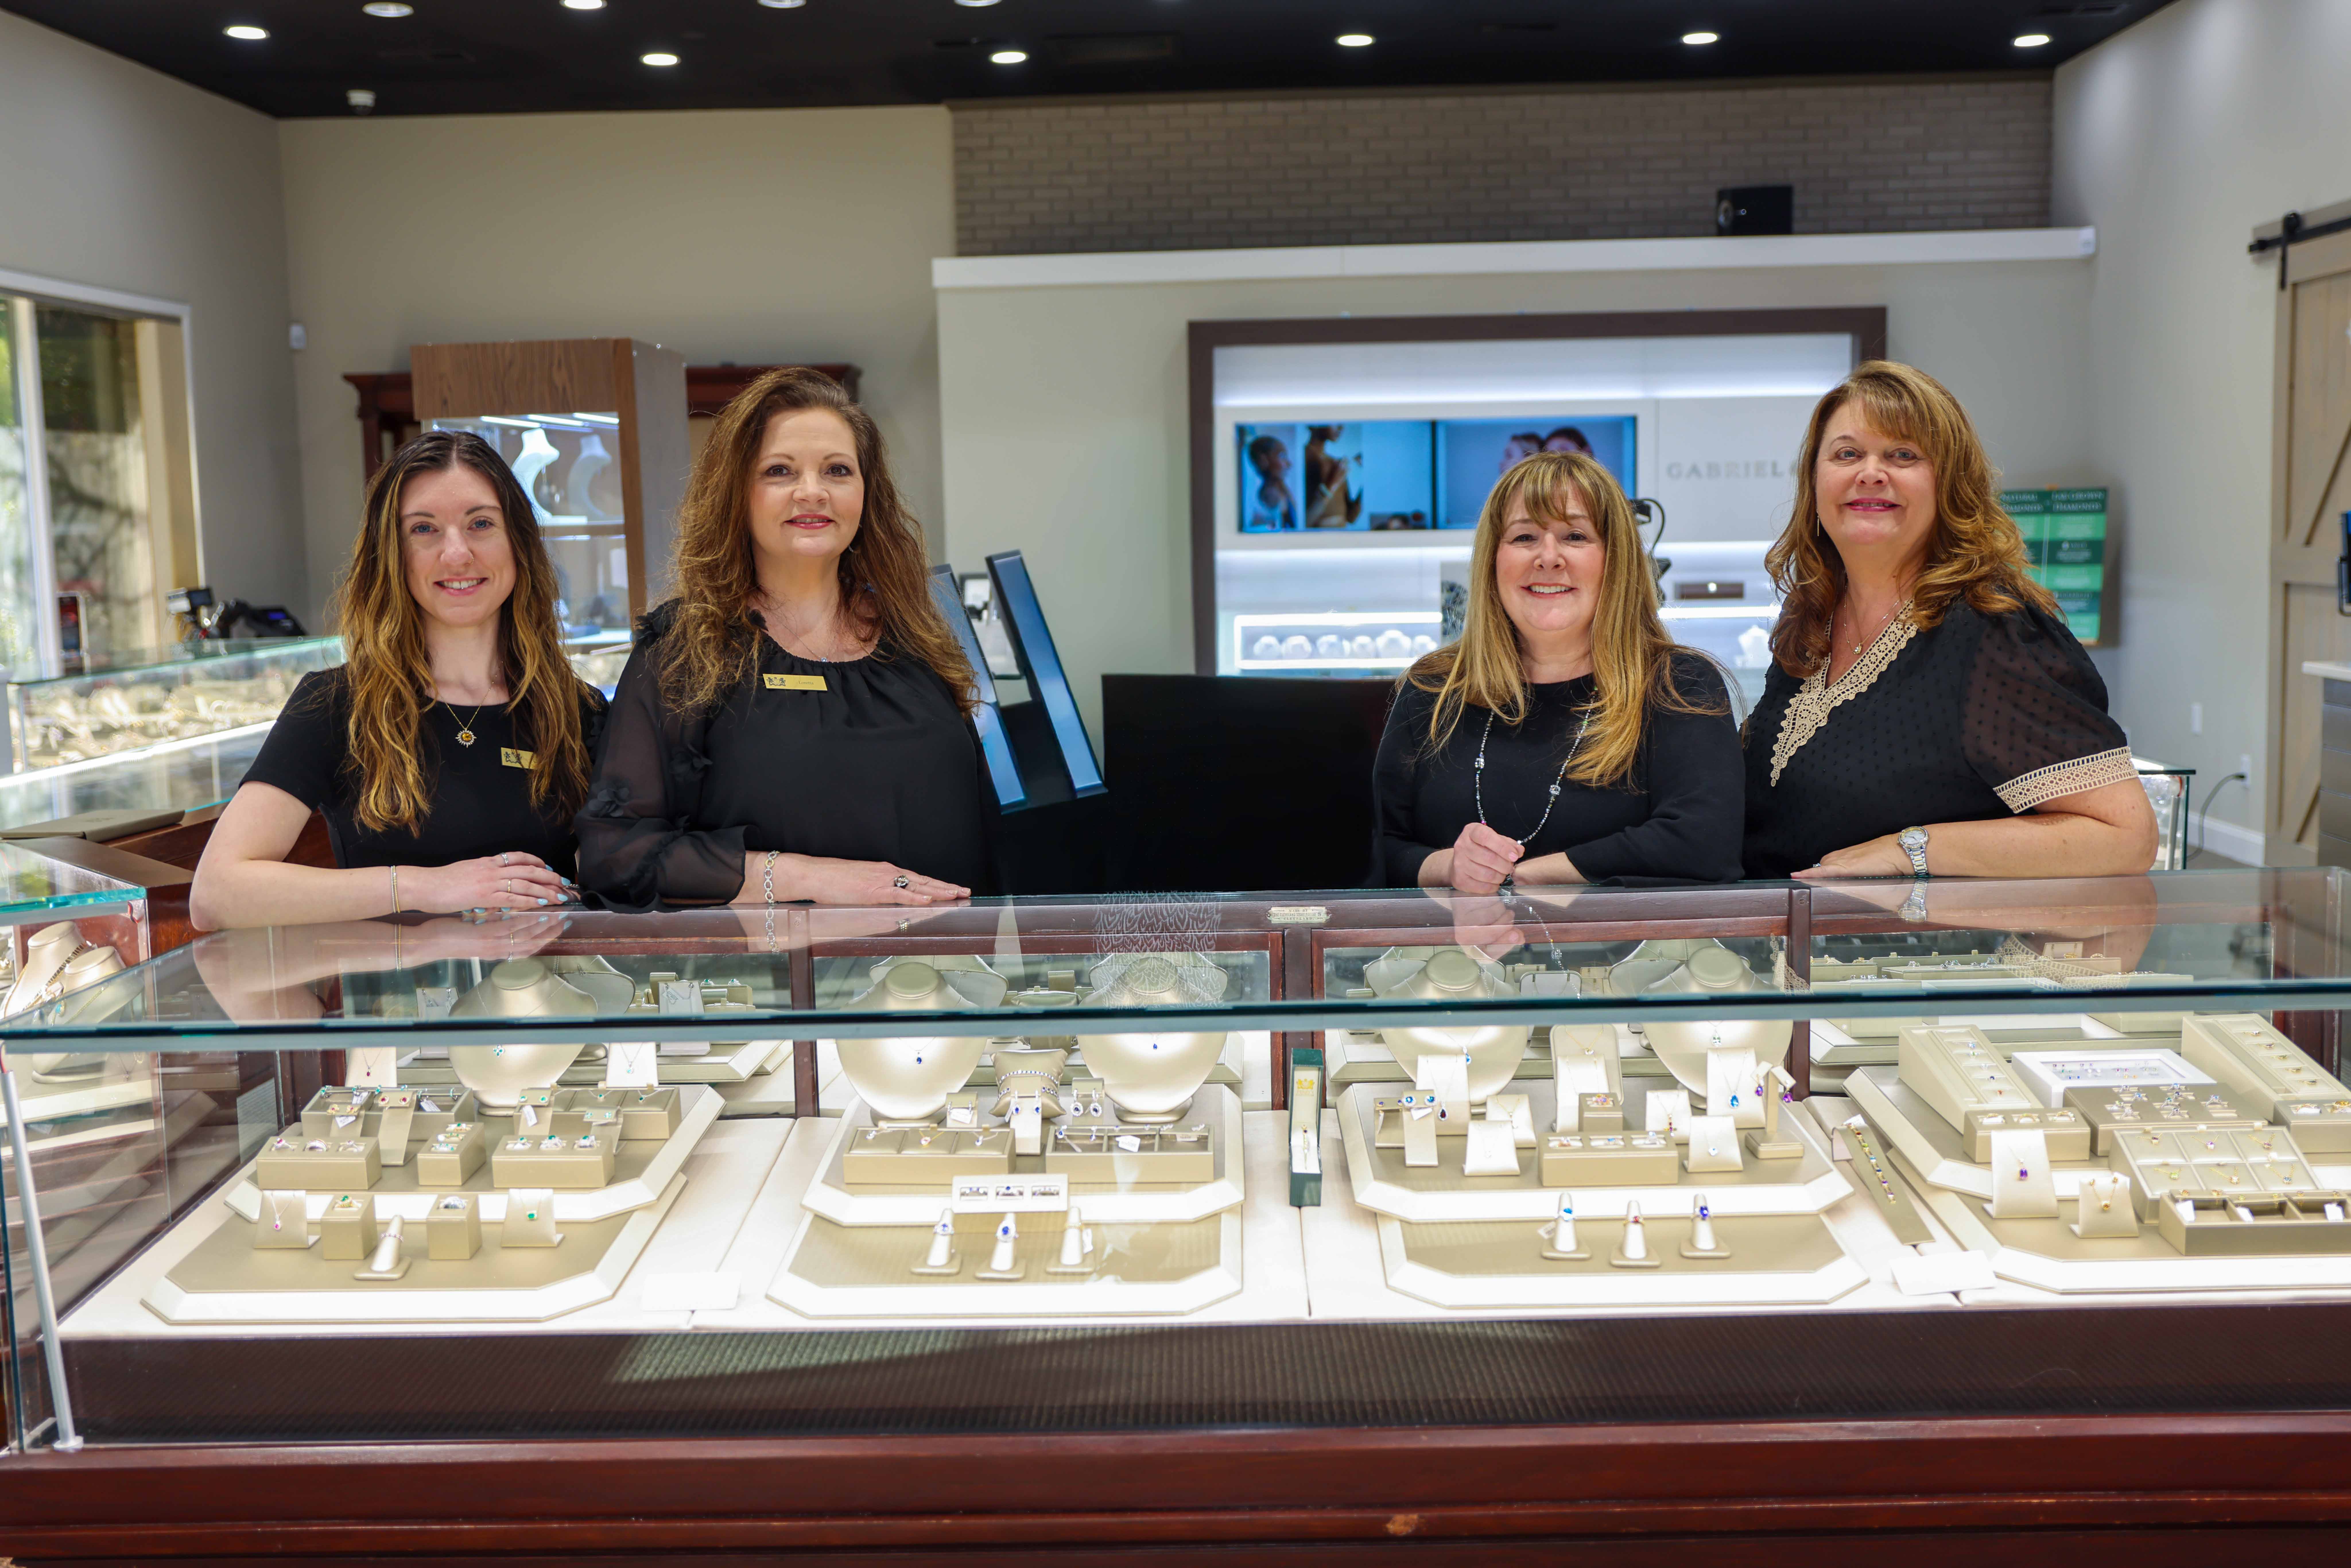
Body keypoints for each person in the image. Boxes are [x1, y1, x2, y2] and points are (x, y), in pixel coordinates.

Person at [576, 366, 990, 910]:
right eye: (779, 471)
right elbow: (615, 855)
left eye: (838, 470)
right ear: (737, 495)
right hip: (776, 985)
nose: (812, 492)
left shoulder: (920, 635)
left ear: (867, 493)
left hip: (939, 981)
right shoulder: (681, 650)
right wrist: (802, 877)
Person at [1742, 360, 2157, 880]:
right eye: (1847, 453)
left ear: (1949, 483)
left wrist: (1910, 849)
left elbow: (2123, 837)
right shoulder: (1811, 615)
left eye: (1903, 454)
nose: (1870, 471)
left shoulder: (1992, 628)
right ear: (1815, 480)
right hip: (1789, 947)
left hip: (1914, 951)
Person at [191, 431, 602, 929]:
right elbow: (216, 893)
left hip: (553, 998)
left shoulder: (578, 709)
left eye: (481, 523)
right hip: (398, 1002)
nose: (457, 554)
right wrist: (429, 886)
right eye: (424, 529)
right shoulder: (335, 704)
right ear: (391, 552)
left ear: (518, 541)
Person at [1373, 451, 1744, 890]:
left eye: (1574, 536)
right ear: (1493, 560)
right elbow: (1381, 850)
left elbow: (1704, 843)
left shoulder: (1678, 685)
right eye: (1525, 537)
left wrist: (1523, 878)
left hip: (1635, 958)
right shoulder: (1433, 690)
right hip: (1457, 958)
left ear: (1616, 559)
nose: (1548, 558)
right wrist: (1451, 867)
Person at [1245, 432, 1297, 530]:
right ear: (1263, 460)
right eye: (1282, 456)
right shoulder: (1270, 495)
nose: (1289, 464)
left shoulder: (1280, 488)